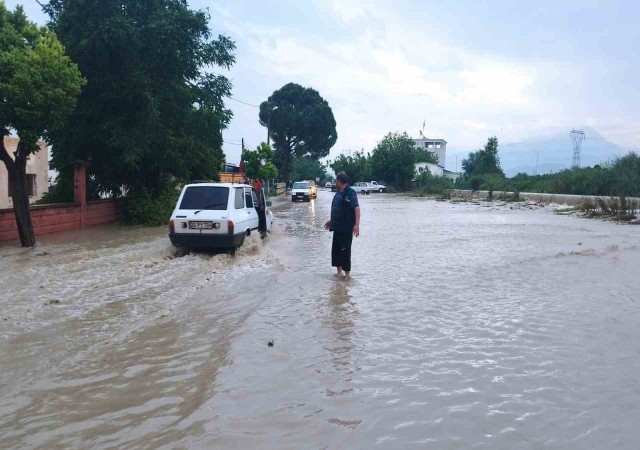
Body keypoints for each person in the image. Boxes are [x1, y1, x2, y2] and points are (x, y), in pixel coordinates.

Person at [324, 171, 360, 280]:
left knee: (345, 250)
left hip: (346, 228)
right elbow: (338, 208)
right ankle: (339, 272)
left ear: (339, 181)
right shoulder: (339, 192)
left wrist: (357, 225)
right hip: (337, 227)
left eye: (336, 180)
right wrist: (331, 221)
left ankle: (347, 275)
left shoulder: (350, 193)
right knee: (336, 250)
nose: (335, 182)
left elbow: (356, 208)